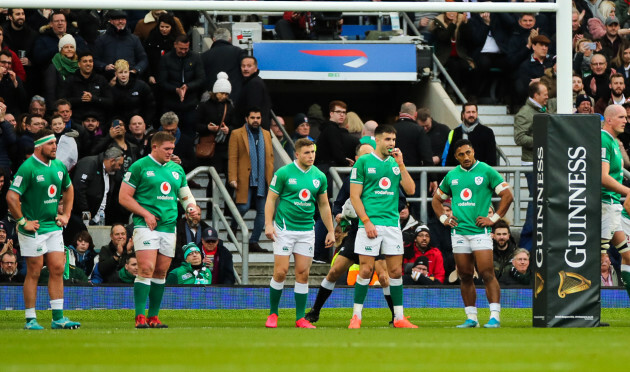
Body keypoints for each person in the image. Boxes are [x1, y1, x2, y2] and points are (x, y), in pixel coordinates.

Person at [305, 143, 396, 325]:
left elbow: (400, 201)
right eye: (363, 157)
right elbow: (338, 204)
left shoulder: (386, 176)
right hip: (356, 232)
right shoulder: (352, 180)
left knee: (384, 277)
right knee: (334, 271)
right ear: (356, 160)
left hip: (376, 231)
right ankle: (315, 311)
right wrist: (340, 214)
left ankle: (396, 316)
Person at [119, 131, 199, 328]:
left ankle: (153, 317)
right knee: (146, 268)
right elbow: (124, 197)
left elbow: (185, 196)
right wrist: (145, 214)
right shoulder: (140, 166)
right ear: (154, 147)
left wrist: (192, 209)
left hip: (168, 226)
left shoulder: (176, 170)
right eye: (167, 149)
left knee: (161, 272)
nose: (170, 152)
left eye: (172, 148)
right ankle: (139, 317)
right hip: (146, 226)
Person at [432, 139, 513, 328]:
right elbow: (436, 200)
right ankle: (472, 318)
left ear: (473, 151)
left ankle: (495, 317)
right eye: (461, 154)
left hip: (480, 231)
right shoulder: (452, 175)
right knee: (465, 275)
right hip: (459, 232)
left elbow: (508, 195)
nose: (466, 157)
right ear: (456, 157)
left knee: (486, 273)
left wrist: (493, 220)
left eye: (468, 152)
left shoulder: (485, 170)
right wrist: (444, 219)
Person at [6, 128, 80, 330]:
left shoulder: (58, 166)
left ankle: (58, 318)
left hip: (52, 226)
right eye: (50, 144)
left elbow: (69, 188)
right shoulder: (28, 167)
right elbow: (12, 197)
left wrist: (65, 214)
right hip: (34, 228)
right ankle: (30, 319)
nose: (55, 147)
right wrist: (22, 222)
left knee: (57, 267)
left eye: (56, 143)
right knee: (34, 271)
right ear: (39, 146)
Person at [348, 125, 417, 329]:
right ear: (377, 140)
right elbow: (354, 196)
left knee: (395, 271)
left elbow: (411, 189)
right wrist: (366, 221)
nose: (391, 144)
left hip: (392, 225)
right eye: (387, 140)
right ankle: (356, 316)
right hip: (369, 223)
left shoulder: (396, 163)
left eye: (394, 140)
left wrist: (402, 165)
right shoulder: (363, 162)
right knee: (366, 270)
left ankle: (399, 318)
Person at [264, 138, 335, 329]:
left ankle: (300, 318)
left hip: (306, 230)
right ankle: (273, 314)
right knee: (280, 272)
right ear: (297, 154)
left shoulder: (319, 176)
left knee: (303, 274)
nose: (311, 156)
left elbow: (323, 204)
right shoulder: (284, 173)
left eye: (313, 152)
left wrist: (330, 230)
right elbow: (271, 199)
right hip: (284, 229)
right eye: (306, 152)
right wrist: (268, 224)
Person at [513, 82, 554, 251]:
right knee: (535, 201)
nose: (547, 96)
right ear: (535, 95)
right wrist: (543, 140)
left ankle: (534, 242)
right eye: (544, 94)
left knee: (539, 201)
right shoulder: (524, 113)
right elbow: (519, 138)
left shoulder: (541, 110)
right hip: (532, 164)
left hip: (544, 161)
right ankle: (526, 244)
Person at [228, 107, 274, 253]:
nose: (256, 120)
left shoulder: (266, 134)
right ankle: (233, 226)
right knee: (243, 207)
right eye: (253, 118)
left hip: (262, 178)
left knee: (263, 211)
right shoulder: (237, 133)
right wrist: (232, 178)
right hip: (244, 178)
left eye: (258, 118)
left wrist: (271, 178)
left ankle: (254, 241)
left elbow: (270, 158)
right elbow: (233, 157)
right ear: (246, 119)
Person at [603, 104, 630, 300]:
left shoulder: (614, 142)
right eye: (621, 117)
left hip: (613, 206)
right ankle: (583, 307)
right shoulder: (604, 140)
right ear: (609, 119)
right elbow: (602, 177)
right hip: (604, 205)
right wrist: (629, 190)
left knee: (628, 256)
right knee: (596, 258)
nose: (626, 121)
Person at [158, 34, 205, 135]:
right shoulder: (166, 59)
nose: (183, 51)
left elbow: (201, 79)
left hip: (190, 105)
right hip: (171, 104)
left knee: (189, 135)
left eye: (186, 49)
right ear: (175, 45)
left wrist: (188, 87)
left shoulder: (195, 57)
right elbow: (162, 82)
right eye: (181, 48)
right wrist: (176, 90)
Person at [72, 147, 124, 225]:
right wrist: (85, 210)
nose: (119, 168)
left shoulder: (111, 173)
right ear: (112, 161)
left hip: (99, 218)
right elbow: (79, 188)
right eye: (119, 165)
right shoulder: (90, 164)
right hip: (82, 217)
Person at [93, 10, 148, 80]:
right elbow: (94, 60)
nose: (121, 21)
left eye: (123, 19)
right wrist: (104, 66)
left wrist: (136, 70)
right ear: (111, 21)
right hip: (109, 80)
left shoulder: (134, 39)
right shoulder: (101, 39)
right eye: (117, 19)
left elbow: (143, 59)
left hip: (131, 80)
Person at [200, 28, 246, 102]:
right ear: (230, 39)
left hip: (212, 99)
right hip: (235, 97)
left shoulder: (204, 56)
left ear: (213, 39)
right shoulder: (239, 52)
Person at [110, 59, 155, 124]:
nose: (123, 75)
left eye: (125, 72)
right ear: (116, 73)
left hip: (139, 124)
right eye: (120, 72)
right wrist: (116, 125)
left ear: (129, 72)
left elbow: (150, 106)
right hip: (122, 126)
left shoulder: (141, 86)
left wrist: (146, 123)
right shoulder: (112, 89)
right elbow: (112, 112)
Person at [234, 56, 272, 130]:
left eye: (249, 66)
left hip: (253, 130)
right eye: (243, 66)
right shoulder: (250, 82)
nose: (245, 69)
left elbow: (253, 108)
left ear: (255, 69)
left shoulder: (254, 83)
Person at [171, 204, 209, 272]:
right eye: (193, 215)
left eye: (198, 214)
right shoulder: (177, 228)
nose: (196, 217)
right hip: (181, 265)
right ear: (186, 215)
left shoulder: (206, 229)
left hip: (201, 264)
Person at [43, 34, 77, 107]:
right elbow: (50, 92)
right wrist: (54, 110)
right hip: (59, 107)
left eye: (72, 47)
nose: (69, 49)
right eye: (66, 47)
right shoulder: (53, 66)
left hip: (75, 105)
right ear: (61, 49)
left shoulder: (78, 65)